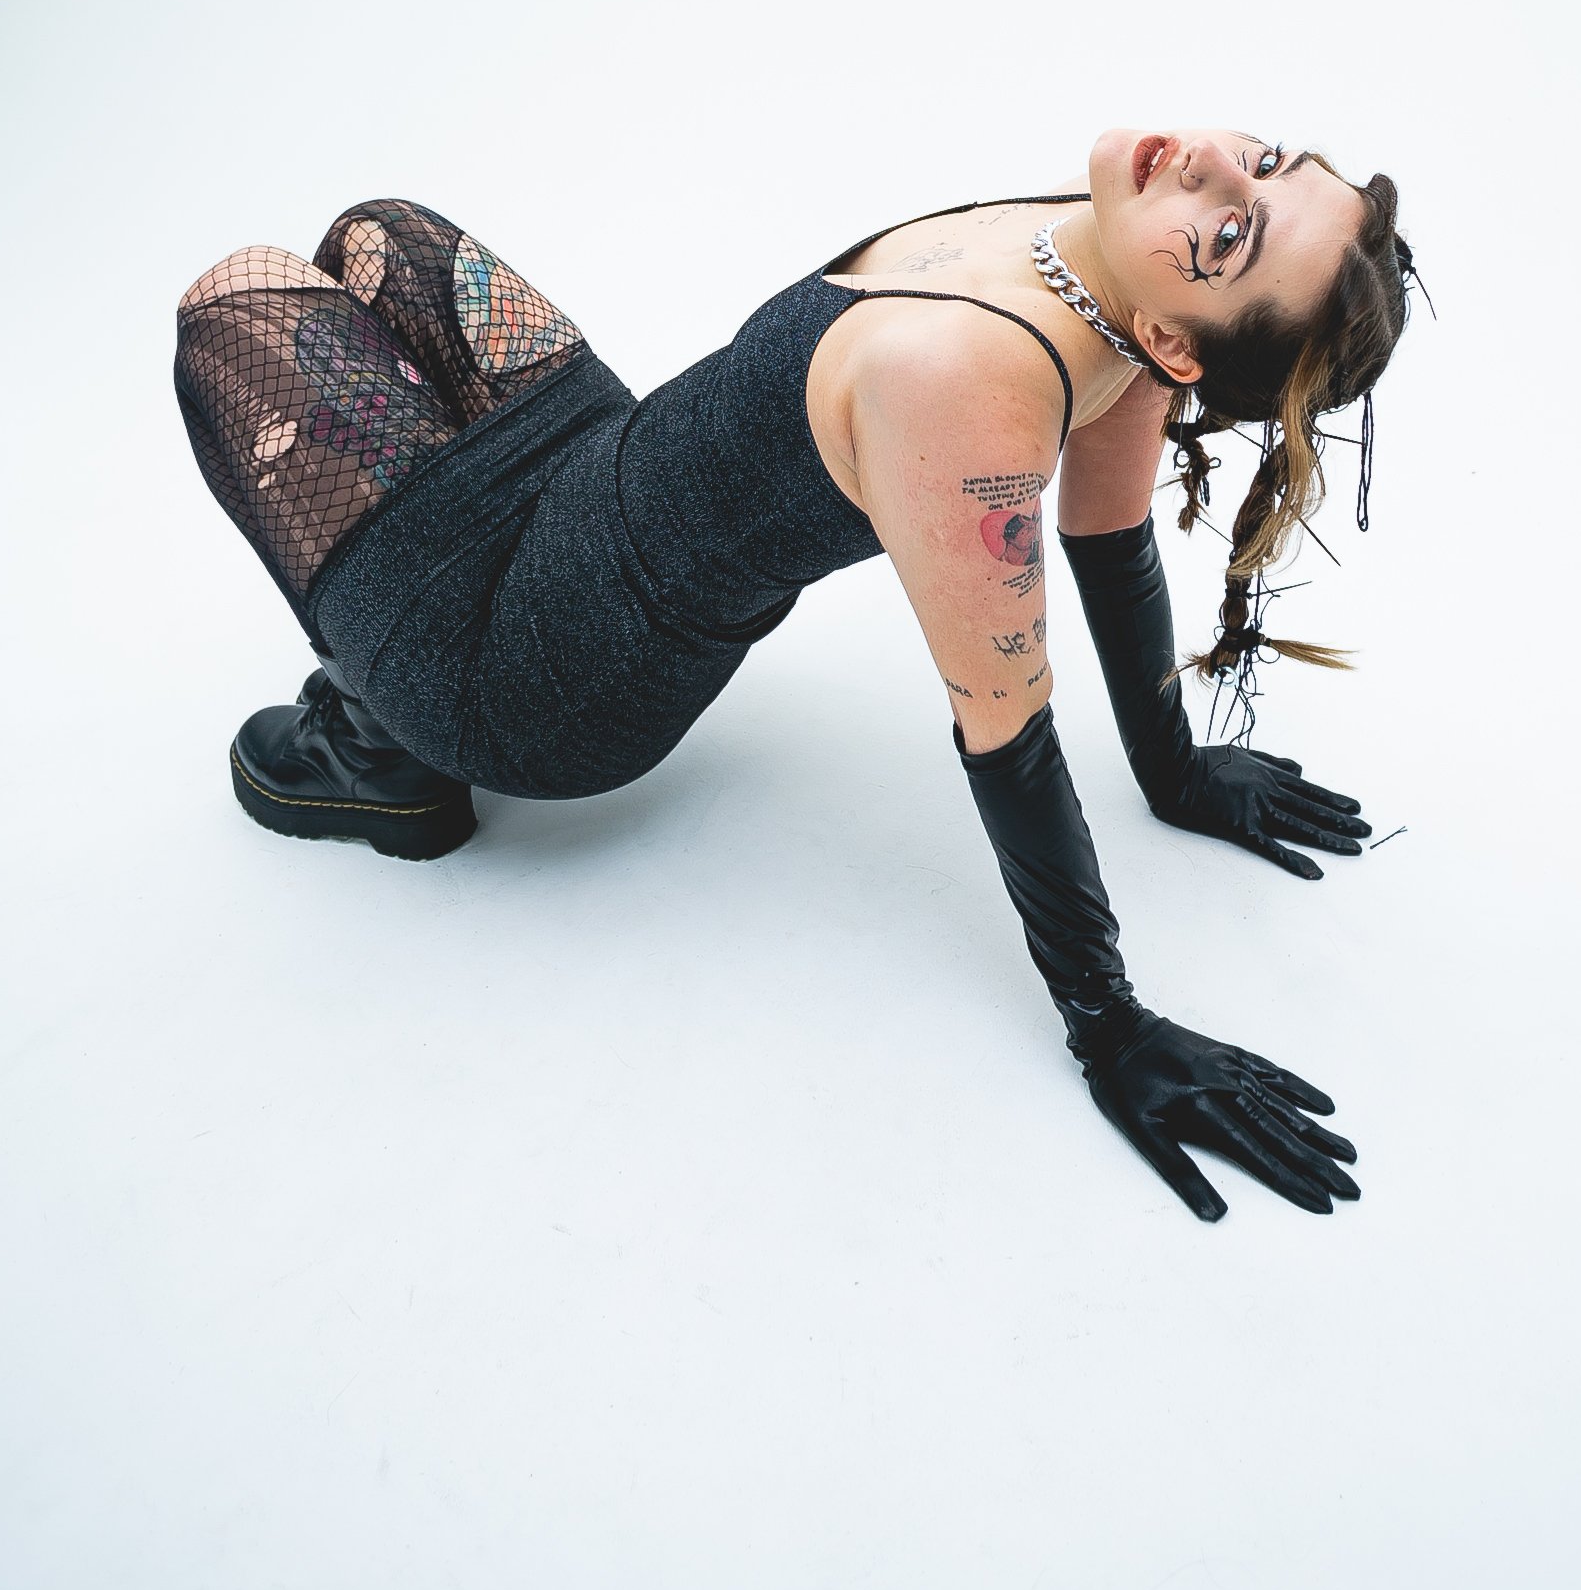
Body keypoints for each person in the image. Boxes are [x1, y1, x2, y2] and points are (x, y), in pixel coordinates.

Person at [174, 127, 1416, 1223]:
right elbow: (1115, 537)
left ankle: (386, 744)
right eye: (1264, 162)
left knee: (232, 300)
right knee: (379, 237)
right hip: (588, 472)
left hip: (529, 677)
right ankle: (394, 641)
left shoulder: (973, 385)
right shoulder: (1108, 253)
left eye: (1235, 234)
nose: (1211, 166)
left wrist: (1112, 1026)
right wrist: (1176, 771)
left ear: (1171, 343)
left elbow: (1009, 725)